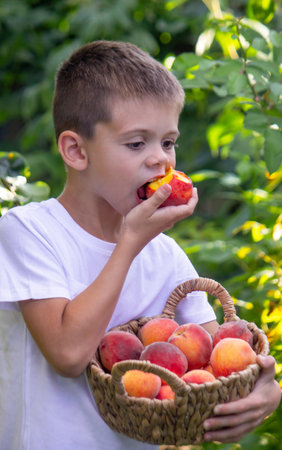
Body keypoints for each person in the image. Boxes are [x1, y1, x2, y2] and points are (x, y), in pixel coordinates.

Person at [0, 41, 280, 450]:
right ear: (77, 151)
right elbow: (68, 355)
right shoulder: (29, 231)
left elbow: (214, 363)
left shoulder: (164, 255)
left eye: (168, 143)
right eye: (137, 144)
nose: (161, 162)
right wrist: (130, 243)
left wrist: (265, 393)